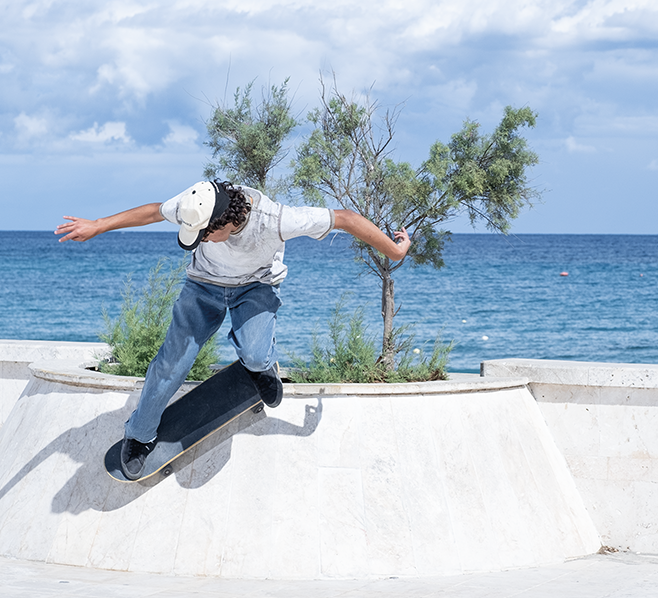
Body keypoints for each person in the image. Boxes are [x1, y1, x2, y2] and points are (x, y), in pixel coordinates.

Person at [57, 180, 410, 478]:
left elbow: (345, 219)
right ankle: (139, 434)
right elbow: (152, 211)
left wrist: (394, 252)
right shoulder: (196, 202)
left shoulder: (277, 220)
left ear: (228, 220)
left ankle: (262, 368)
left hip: (255, 286)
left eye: (206, 235)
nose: (202, 241)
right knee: (170, 364)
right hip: (203, 287)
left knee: (255, 355)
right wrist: (99, 224)